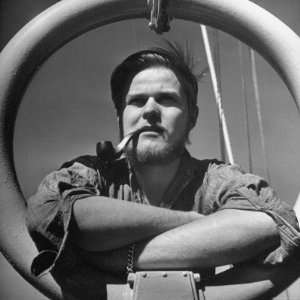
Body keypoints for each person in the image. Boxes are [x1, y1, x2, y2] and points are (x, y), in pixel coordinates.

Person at [26, 45, 300, 300]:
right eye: (137, 101)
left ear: (192, 116)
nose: (150, 111)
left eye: (166, 99)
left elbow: (271, 222)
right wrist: (195, 222)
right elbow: (51, 210)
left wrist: (112, 256)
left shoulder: (217, 178)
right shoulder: (93, 173)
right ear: (119, 117)